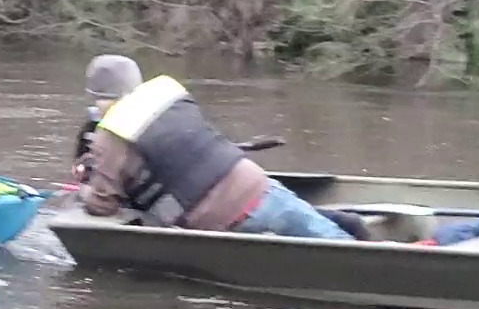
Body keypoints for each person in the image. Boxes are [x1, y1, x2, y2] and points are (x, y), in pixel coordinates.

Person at [75, 54, 353, 240]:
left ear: (99, 97)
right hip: (258, 184)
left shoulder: (108, 136)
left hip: (221, 218)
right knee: (340, 242)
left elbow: (103, 204)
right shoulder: (169, 93)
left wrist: (84, 189)